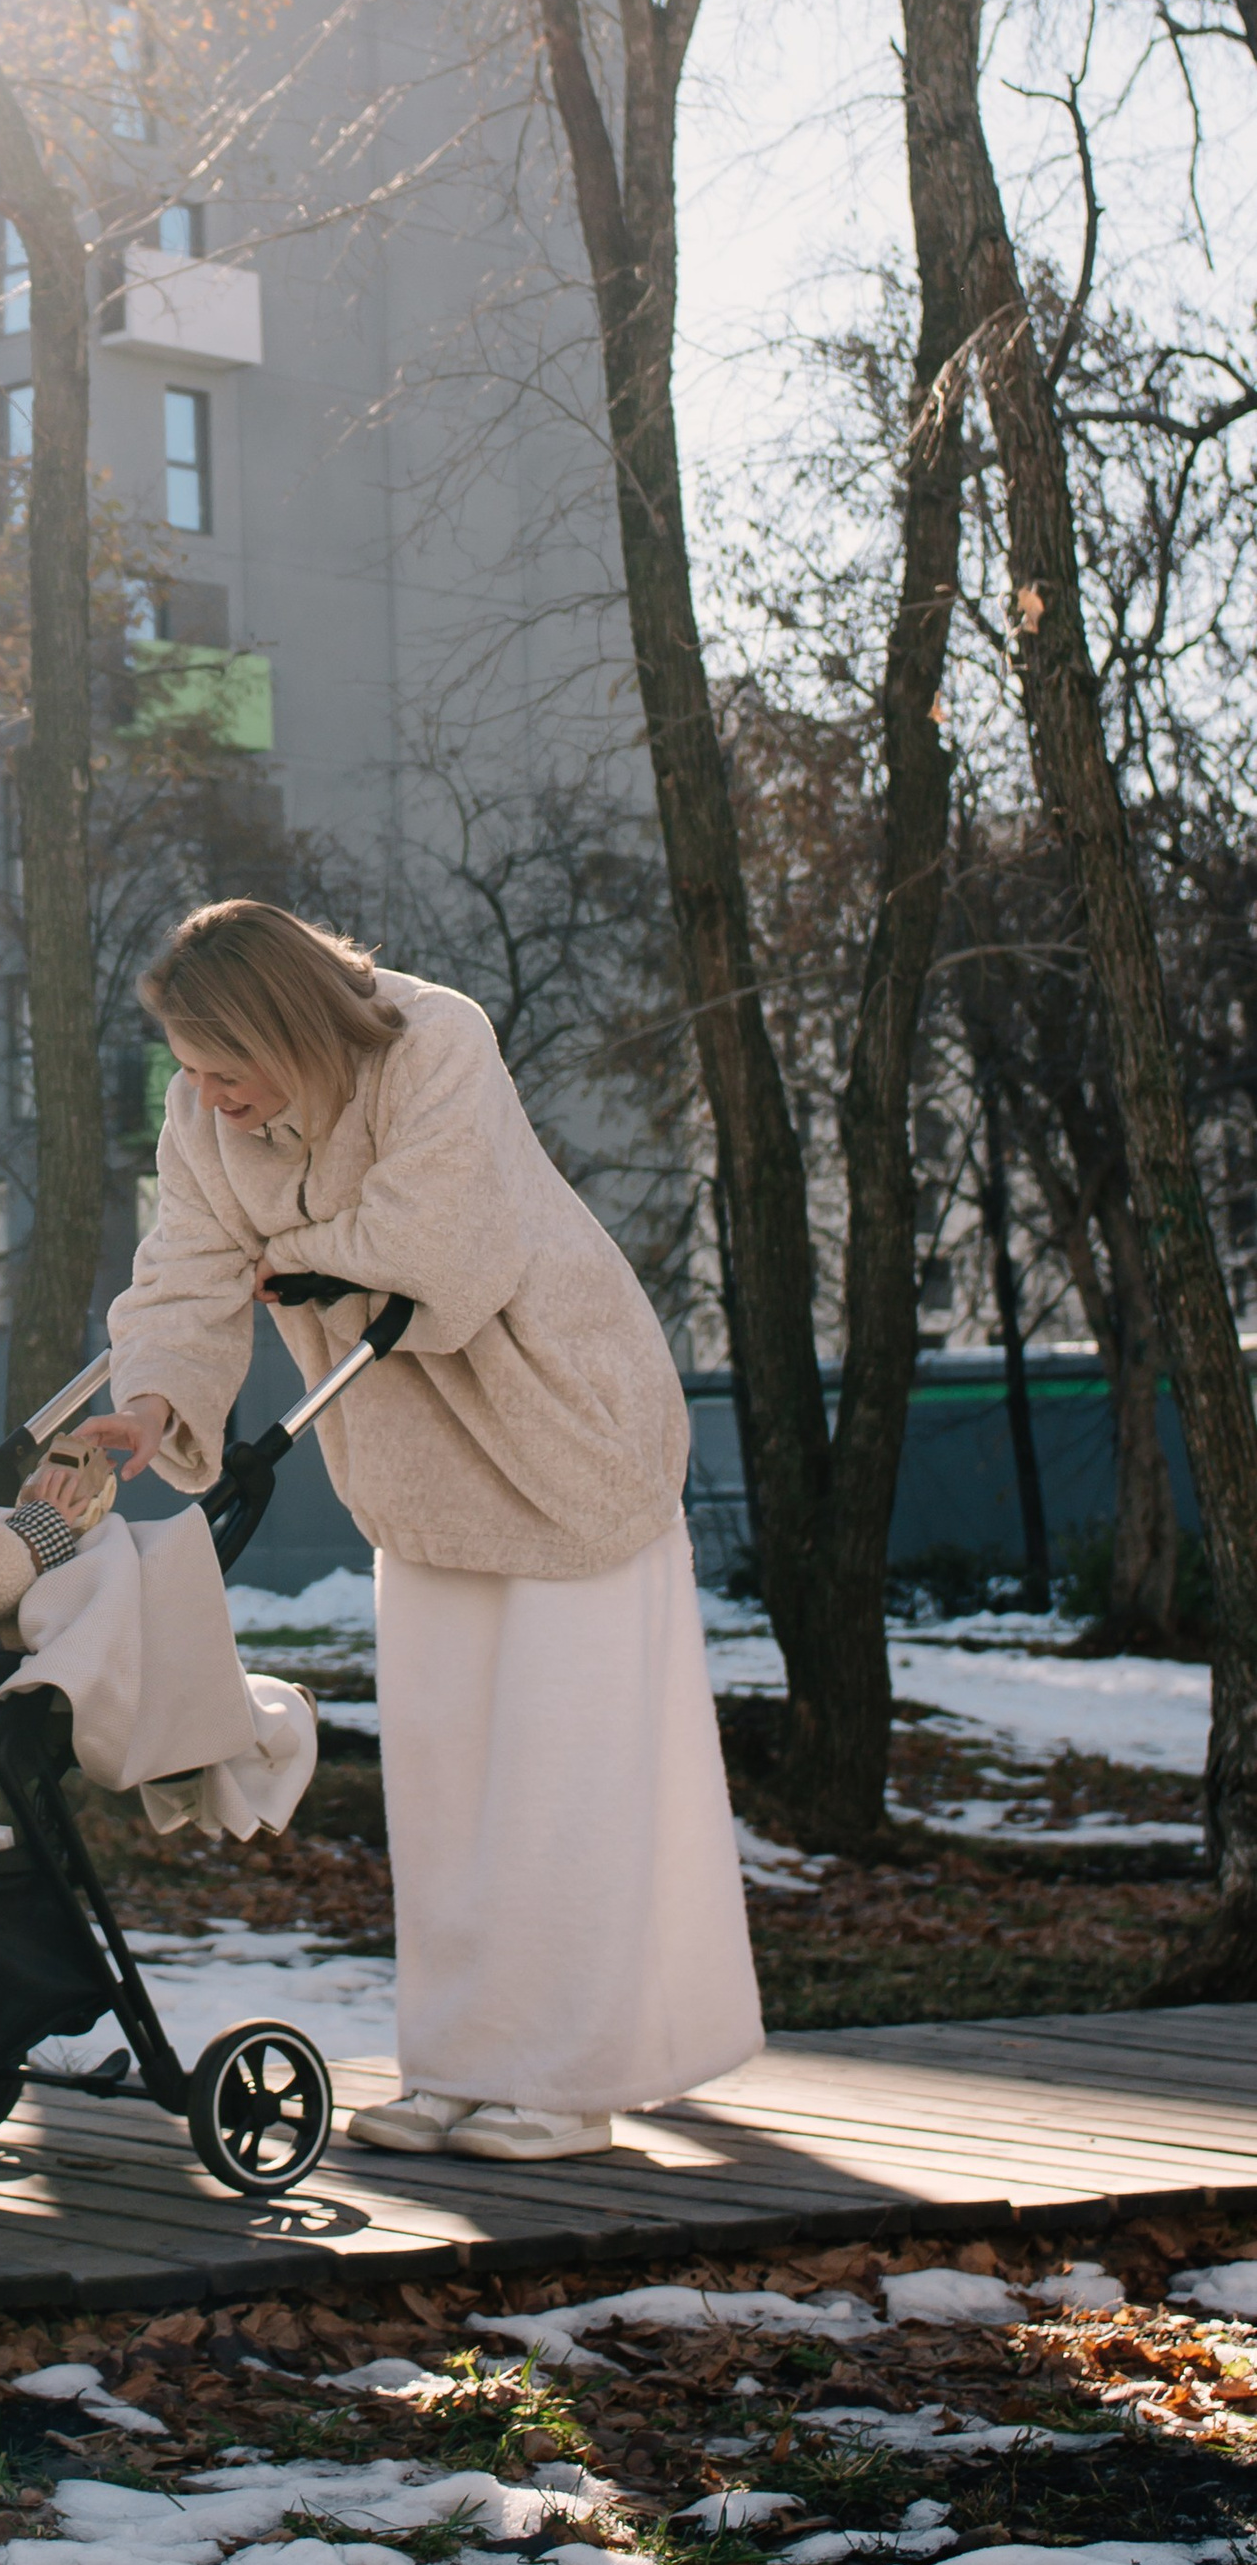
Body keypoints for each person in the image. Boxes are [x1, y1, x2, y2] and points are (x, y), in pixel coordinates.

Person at [76, 896, 759, 2163]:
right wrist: (152, 1400)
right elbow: (186, 1266)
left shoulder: (436, 1040)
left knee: (562, 1781)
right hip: (419, 1474)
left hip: (562, 1435)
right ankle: (460, 2064)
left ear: (289, 1024)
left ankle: (563, 2083)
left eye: (230, 1069)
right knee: (446, 1784)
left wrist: (281, 1259)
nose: (211, 1098)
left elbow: (440, 1244)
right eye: (192, 1073)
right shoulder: (200, 1117)